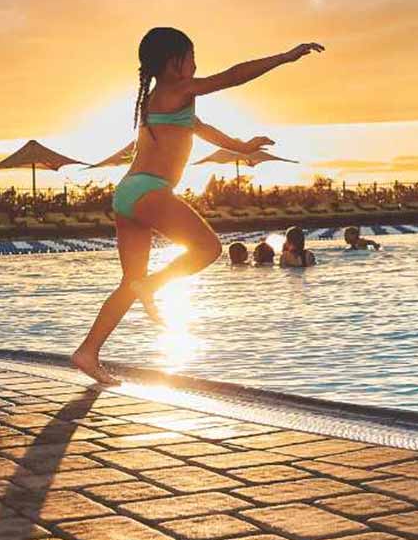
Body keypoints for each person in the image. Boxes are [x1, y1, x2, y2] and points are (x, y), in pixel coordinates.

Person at [72, 27, 325, 385]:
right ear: (174, 63)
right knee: (208, 248)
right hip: (150, 190)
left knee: (131, 281)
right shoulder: (180, 88)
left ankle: (88, 352)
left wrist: (244, 146)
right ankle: (154, 285)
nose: (196, 64)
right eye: (191, 57)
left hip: (128, 192)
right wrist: (284, 57)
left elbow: (203, 130)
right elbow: (233, 77)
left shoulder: (162, 97)